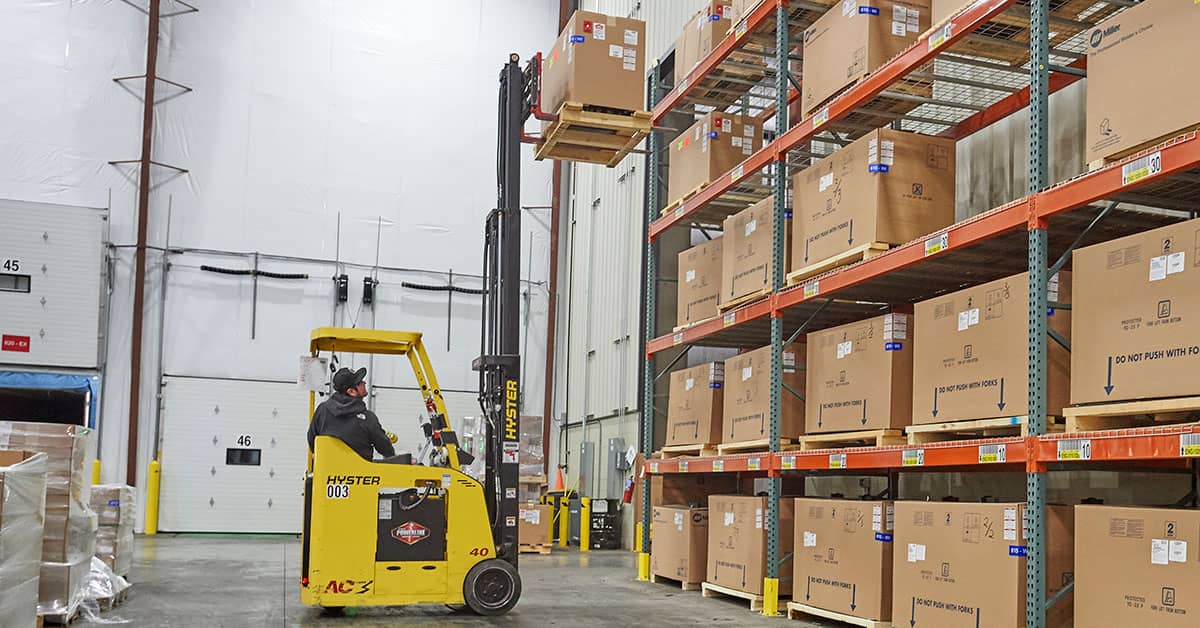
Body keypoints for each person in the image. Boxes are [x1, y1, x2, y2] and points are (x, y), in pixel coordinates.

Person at [308, 367, 396, 460]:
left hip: (328, 471)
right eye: (360, 382)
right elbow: (385, 448)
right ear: (351, 391)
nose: (364, 383)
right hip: (361, 472)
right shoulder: (368, 418)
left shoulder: (322, 410)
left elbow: (312, 440)